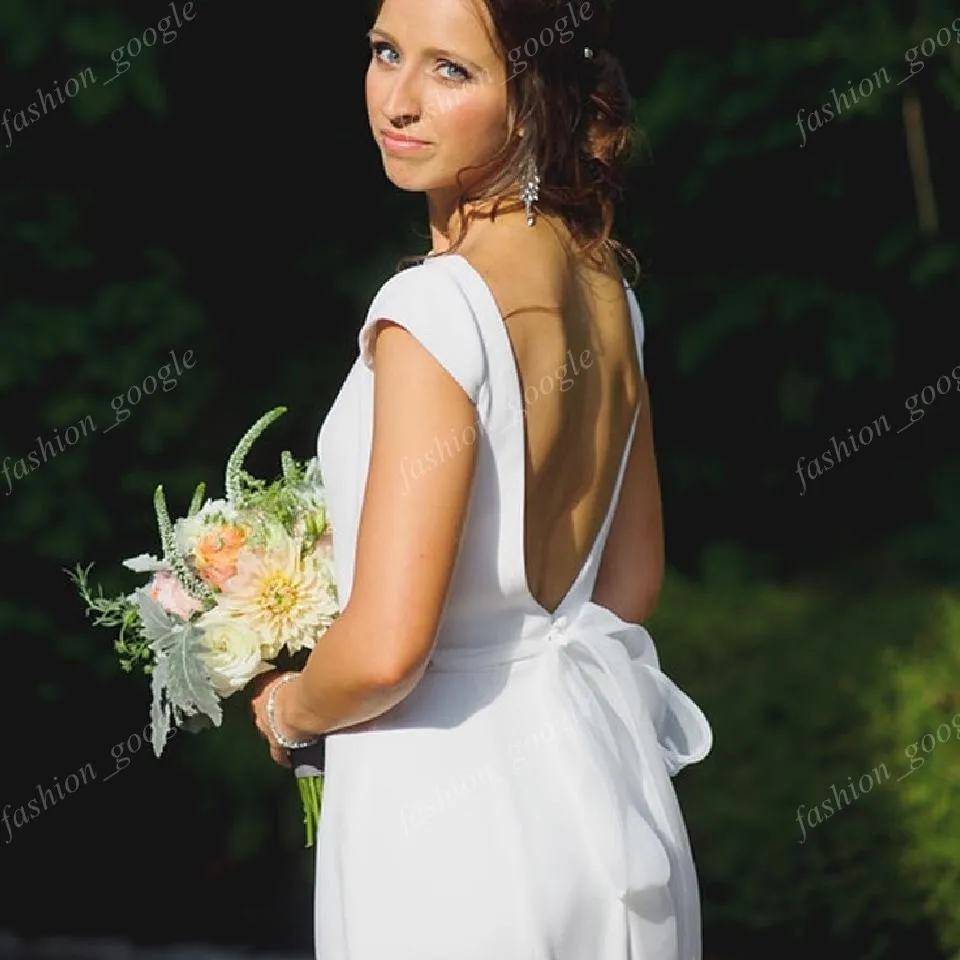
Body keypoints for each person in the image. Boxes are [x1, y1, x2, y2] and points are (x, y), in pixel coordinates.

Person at [251, 0, 713, 956]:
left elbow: (385, 651)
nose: (401, 99)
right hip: (591, 796)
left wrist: (291, 708)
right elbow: (627, 591)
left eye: (451, 70)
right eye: (386, 53)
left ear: (529, 96)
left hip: (440, 814)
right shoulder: (607, 292)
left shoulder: (434, 305)